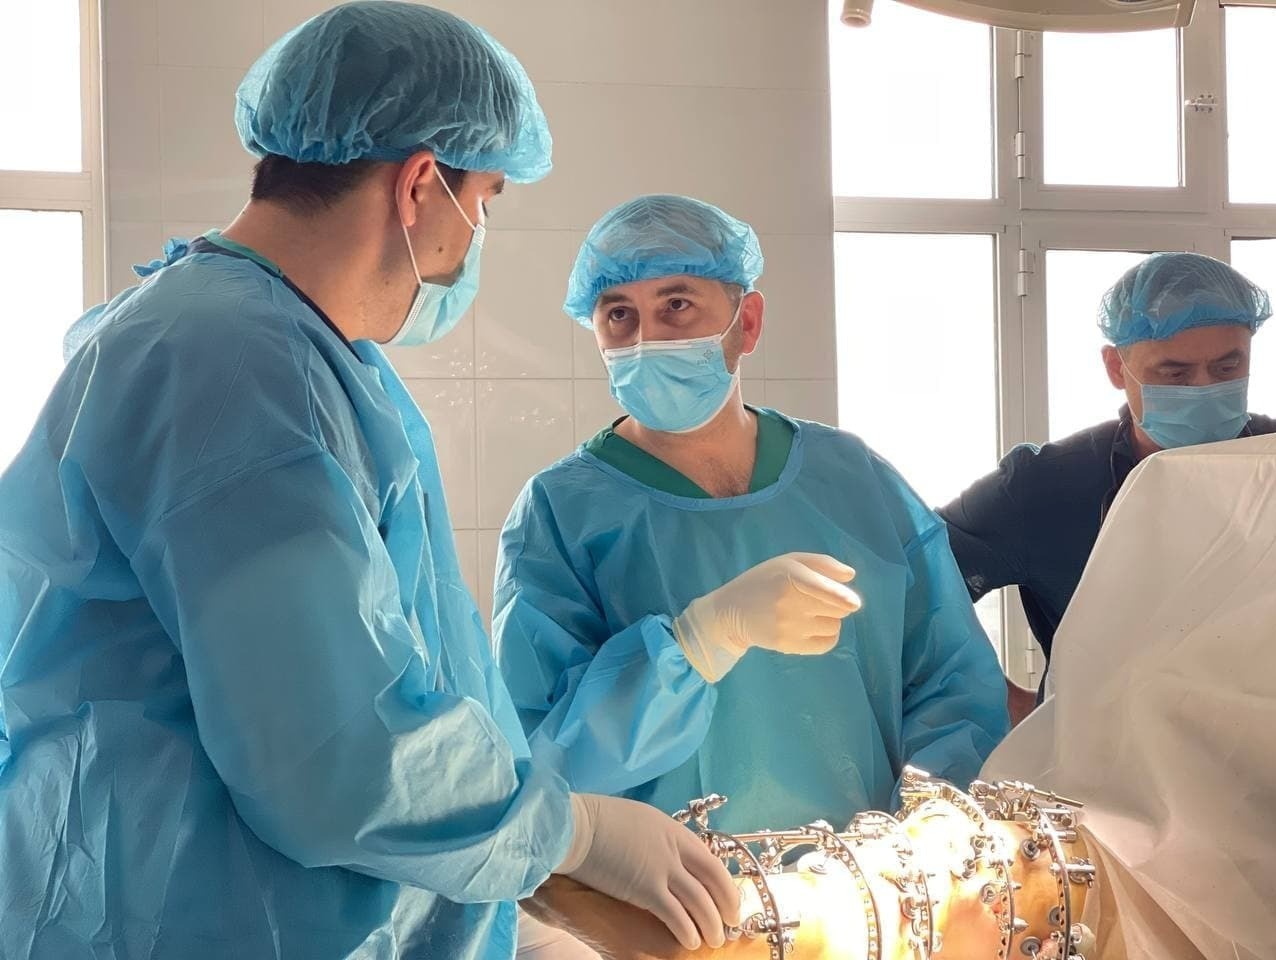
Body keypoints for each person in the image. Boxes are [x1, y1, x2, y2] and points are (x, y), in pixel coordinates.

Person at [0, 6, 737, 959]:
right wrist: (573, 834)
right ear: (422, 185)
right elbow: (334, 755)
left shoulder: (261, 342)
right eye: (487, 201)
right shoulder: (241, 368)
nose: (476, 240)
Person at [492, 194, 1009, 844]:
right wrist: (695, 643)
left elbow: (951, 681)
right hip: (668, 891)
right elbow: (544, 757)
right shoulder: (559, 513)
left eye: (676, 305)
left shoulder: (853, 479)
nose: (646, 340)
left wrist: (931, 825)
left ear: (749, 322)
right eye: (619, 314)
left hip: (863, 882)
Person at [939, 252, 1274, 722]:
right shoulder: (1047, 486)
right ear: (1117, 368)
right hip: (1099, 760)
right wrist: (995, 700)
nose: (1202, 389)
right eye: (1175, 373)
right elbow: (916, 586)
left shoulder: (1270, 463)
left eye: (1226, 369)